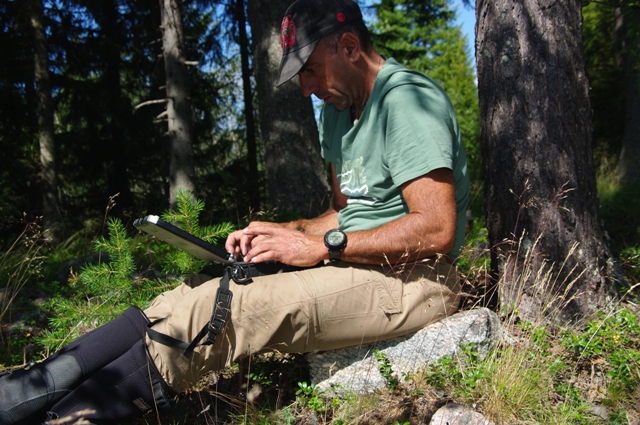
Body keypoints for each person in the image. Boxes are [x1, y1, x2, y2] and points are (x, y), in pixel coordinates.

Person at [0, 0, 469, 423]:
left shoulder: (405, 100)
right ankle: (27, 390)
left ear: (349, 46)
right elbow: (346, 213)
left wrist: (321, 246)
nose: (305, 87)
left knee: (228, 310)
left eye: (309, 69)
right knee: (190, 293)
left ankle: (62, 420)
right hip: (358, 261)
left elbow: (437, 228)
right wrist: (285, 233)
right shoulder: (338, 113)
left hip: (417, 278)